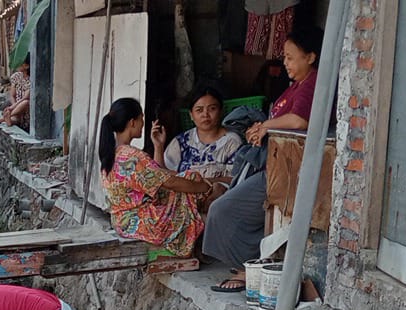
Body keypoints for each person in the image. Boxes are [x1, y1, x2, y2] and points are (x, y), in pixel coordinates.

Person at [201, 24, 324, 291]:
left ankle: (250, 269)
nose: (286, 63)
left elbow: (299, 120)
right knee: (225, 208)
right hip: (274, 165)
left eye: (291, 57)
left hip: (290, 171)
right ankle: (250, 266)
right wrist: (260, 129)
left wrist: (266, 127)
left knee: (224, 209)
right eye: (285, 57)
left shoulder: (312, 83)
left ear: (311, 57)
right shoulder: (296, 86)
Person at [99, 97, 215, 259]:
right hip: (143, 223)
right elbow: (170, 182)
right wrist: (204, 187)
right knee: (190, 181)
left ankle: (200, 225)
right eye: (141, 119)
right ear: (132, 122)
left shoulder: (113, 153)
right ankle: (195, 236)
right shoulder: (133, 156)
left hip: (122, 222)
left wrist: (158, 146)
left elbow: (159, 176)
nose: (143, 124)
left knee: (189, 178)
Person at [152, 86, 243, 181]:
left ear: (220, 112)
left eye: (212, 109)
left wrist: (199, 183)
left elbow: (235, 180)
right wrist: (158, 146)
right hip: (182, 193)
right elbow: (161, 174)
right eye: (199, 110)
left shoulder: (232, 142)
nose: (205, 115)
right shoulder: (182, 141)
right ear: (191, 115)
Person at [0, 59, 30, 128]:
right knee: (15, 118)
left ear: (27, 66)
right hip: (16, 106)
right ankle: (8, 118)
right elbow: (12, 95)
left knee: (26, 102)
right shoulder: (16, 76)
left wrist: (12, 108)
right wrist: (14, 106)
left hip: (26, 108)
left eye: (21, 63)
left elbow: (26, 97)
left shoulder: (31, 80)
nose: (18, 64)